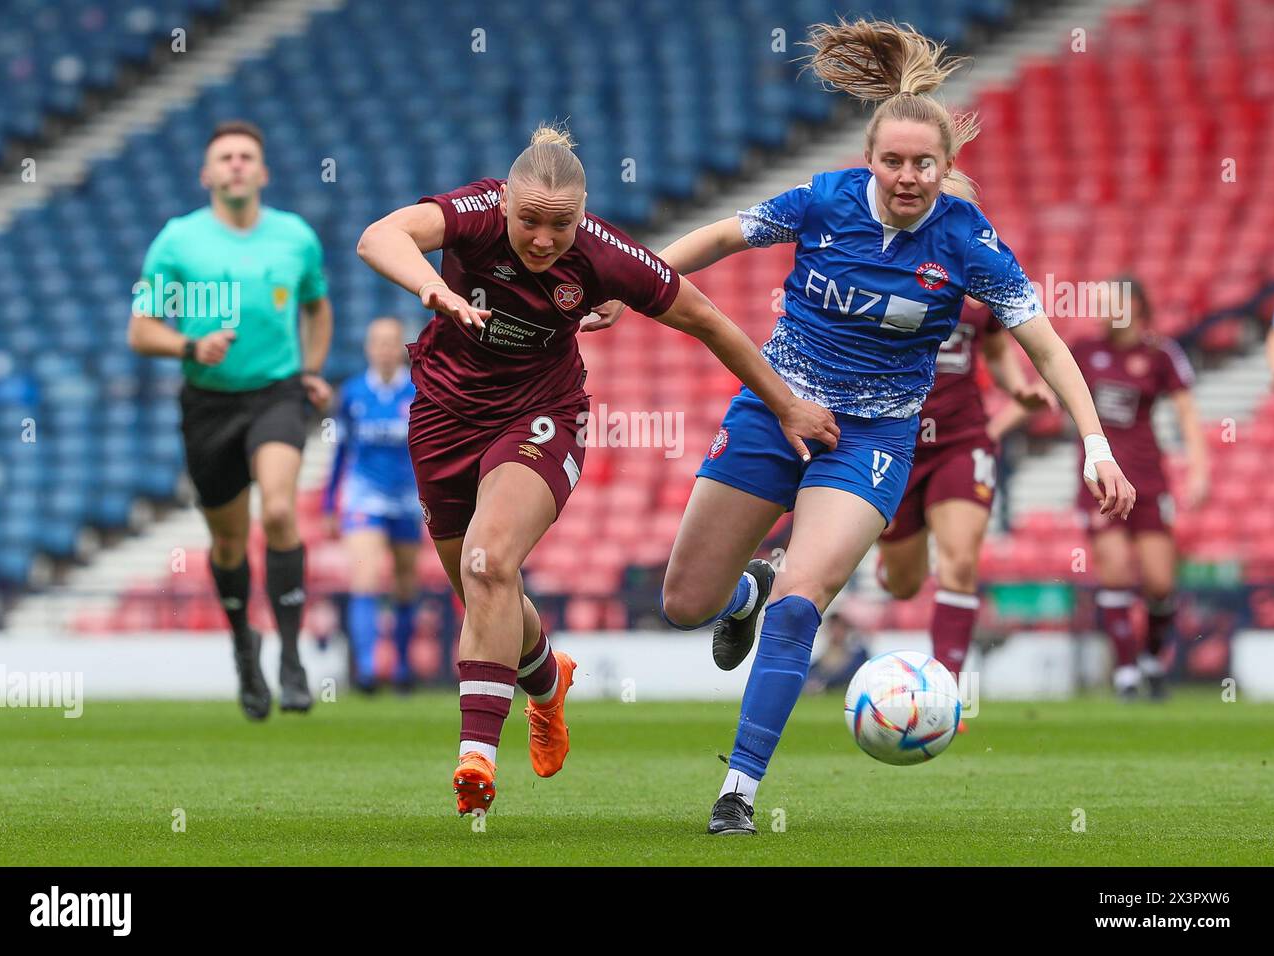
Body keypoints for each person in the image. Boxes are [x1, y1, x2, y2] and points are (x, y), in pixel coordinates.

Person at [597, 19, 1136, 835]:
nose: (909, 176)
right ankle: (747, 589)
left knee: (800, 607)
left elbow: (1047, 345)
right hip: (773, 412)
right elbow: (718, 235)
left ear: (945, 168)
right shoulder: (823, 201)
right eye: (894, 161)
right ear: (870, 159)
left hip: (875, 441)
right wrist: (636, 284)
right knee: (683, 602)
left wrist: (1096, 444)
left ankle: (738, 791)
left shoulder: (968, 242)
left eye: (925, 164)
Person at [356, 123, 838, 816]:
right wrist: (435, 289)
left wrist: (787, 405)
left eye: (561, 224)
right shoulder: (472, 214)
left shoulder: (602, 255)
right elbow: (379, 236)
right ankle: (548, 685)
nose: (545, 239)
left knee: (489, 565)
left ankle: (476, 761)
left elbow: (708, 320)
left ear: (581, 216)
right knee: (482, 590)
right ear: (505, 209)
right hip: (441, 418)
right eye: (529, 222)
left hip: (539, 417)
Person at [128, 119, 333, 720]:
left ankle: (291, 656)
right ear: (207, 174)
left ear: (263, 172)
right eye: (226, 157)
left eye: (247, 156)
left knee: (276, 510)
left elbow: (318, 307)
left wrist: (311, 370)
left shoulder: (295, 237)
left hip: (275, 394)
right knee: (227, 539)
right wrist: (190, 347)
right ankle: (246, 645)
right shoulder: (177, 241)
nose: (237, 164)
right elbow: (140, 329)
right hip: (208, 402)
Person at [876, 291, 1055, 685]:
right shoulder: (888, 273)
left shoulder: (979, 283)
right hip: (894, 440)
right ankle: (893, 556)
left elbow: (995, 349)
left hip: (961, 442)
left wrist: (1017, 388)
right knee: (904, 585)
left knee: (959, 563)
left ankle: (944, 688)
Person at [1072, 277, 1208, 699]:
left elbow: (1187, 412)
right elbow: (1052, 389)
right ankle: (1127, 672)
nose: (1100, 311)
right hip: (1098, 482)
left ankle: (1150, 657)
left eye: (1108, 303)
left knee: (1160, 583)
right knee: (1113, 571)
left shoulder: (1160, 354)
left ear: (1133, 306)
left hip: (1149, 480)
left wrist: (1199, 466)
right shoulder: (1083, 352)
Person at [323, 317, 422, 694]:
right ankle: (365, 671)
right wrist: (330, 502)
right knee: (364, 576)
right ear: (368, 348)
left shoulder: (416, 391)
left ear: (400, 347)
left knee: (405, 582)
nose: (383, 349)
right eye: (377, 342)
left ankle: (401, 667)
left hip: (407, 496)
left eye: (390, 342)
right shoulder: (351, 394)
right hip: (363, 494)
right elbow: (340, 452)